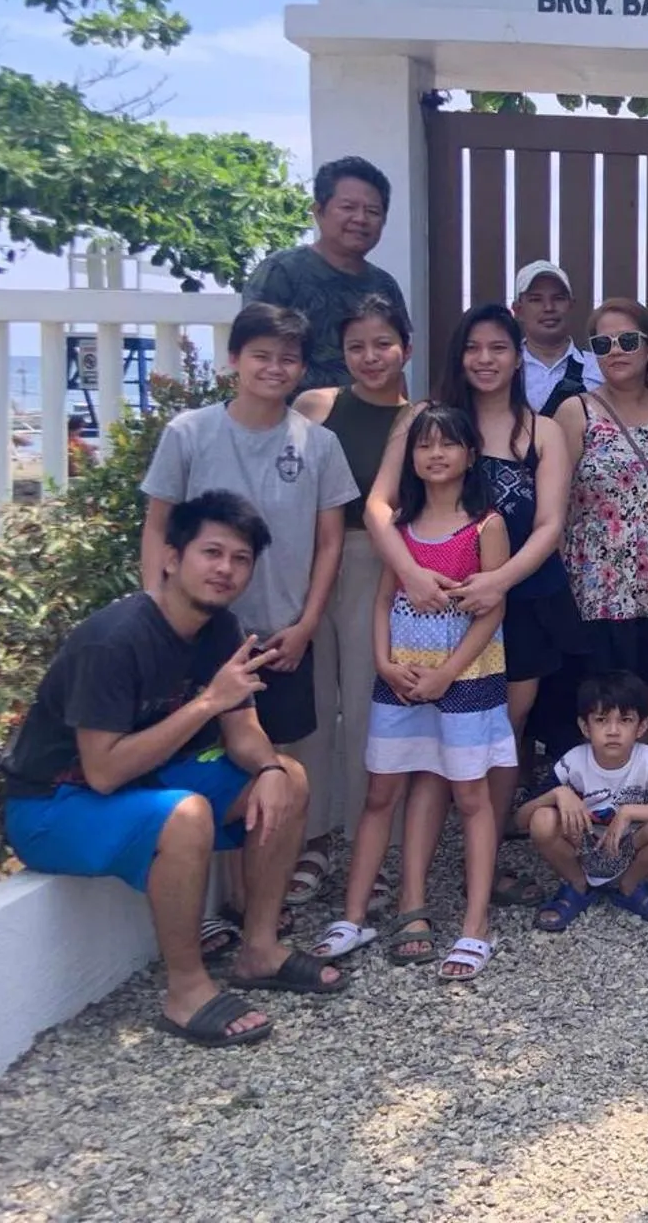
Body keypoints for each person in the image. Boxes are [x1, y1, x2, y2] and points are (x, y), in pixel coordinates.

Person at [0, 492, 346, 1047]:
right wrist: (207, 703)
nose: (225, 569)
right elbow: (104, 771)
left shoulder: (221, 631)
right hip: (52, 806)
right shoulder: (113, 641)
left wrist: (269, 770)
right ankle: (185, 991)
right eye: (211, 552)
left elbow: (242, 732)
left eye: (240, 559)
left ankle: (259, 950)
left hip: (144, 780)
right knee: (186, 816)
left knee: (289, 778)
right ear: (170, 558)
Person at [368, 304, 581, 910]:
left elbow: (551, 524)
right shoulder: (424, 420)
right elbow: (378, 506)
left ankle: (477, 867)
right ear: (457, 354)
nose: (485, 360)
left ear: (517, 357)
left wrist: (499, 583)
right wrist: (410, 573)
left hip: (525, 602)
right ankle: (417, 883)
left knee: (500, 733)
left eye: (498, 348)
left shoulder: (543, 431)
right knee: (433, 739)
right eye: (473, 347)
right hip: (429, 608)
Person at [310, 405, 512, 980]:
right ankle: (354, 916)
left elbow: (493, 611)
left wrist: (447, 673)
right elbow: (383, 601)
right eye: (424, 445)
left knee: (470, 797)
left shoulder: (486, 525)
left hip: (465, 681)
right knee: (380, 793)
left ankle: (476, 924)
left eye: (448, 444)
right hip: (399, 679)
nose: (435, 454)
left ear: (470, 454)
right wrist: (382, 661)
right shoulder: (400, 526)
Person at [141, 305, 357, 755]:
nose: (274, 368)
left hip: (280, 637)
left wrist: (307, 625)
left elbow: (330, 542)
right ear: (234, 358)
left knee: (276, 762)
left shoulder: (321, 444)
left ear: (302, 368)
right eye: (261, 355)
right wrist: (155, 608)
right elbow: (157, 526)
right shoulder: (188, 433)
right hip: (194, 628)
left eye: (288, 359)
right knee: (192, 756)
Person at [289, 295, 412, 909]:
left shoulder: (418, 418)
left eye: (382, 343)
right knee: (310, 706)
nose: (370, 356)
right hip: (307, 561)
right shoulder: (316, 407)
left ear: (406, 348)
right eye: (356, 346)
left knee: (370, 710)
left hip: (376, 562)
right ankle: (311, 840)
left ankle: (377, 847)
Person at [553, 299, 648, 689]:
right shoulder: (576, 412)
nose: (615, 351)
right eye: (602, 344)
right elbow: (555, 509)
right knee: (596, 704)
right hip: (592, 589)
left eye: (628, 341)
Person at [522, 671, 648, 931]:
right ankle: (578, 885)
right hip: (583, 847)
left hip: (631, 845)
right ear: (585, 727)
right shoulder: (573, 762)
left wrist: (629, 812)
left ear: (642, 726)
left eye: (625, 720)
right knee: (542, 819)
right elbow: (521, 819)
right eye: (601, 720)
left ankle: (629, 886)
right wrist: (557, 794)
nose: (613, 731)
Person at [242, 157, 408, 393]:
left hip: (368, 414)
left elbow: (396, 371)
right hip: (294, 413)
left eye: (372, 211)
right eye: (348, 207)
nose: (360, 219)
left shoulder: (384, 285)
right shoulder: (281, 271)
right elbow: (254, 354)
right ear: (319, 212)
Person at [512, 260, 604, 413]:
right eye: (536, 299)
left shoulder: (599, 369)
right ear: (518, 310)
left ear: (571, 305)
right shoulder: (503, 370)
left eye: (558, 298)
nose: (549, 308)